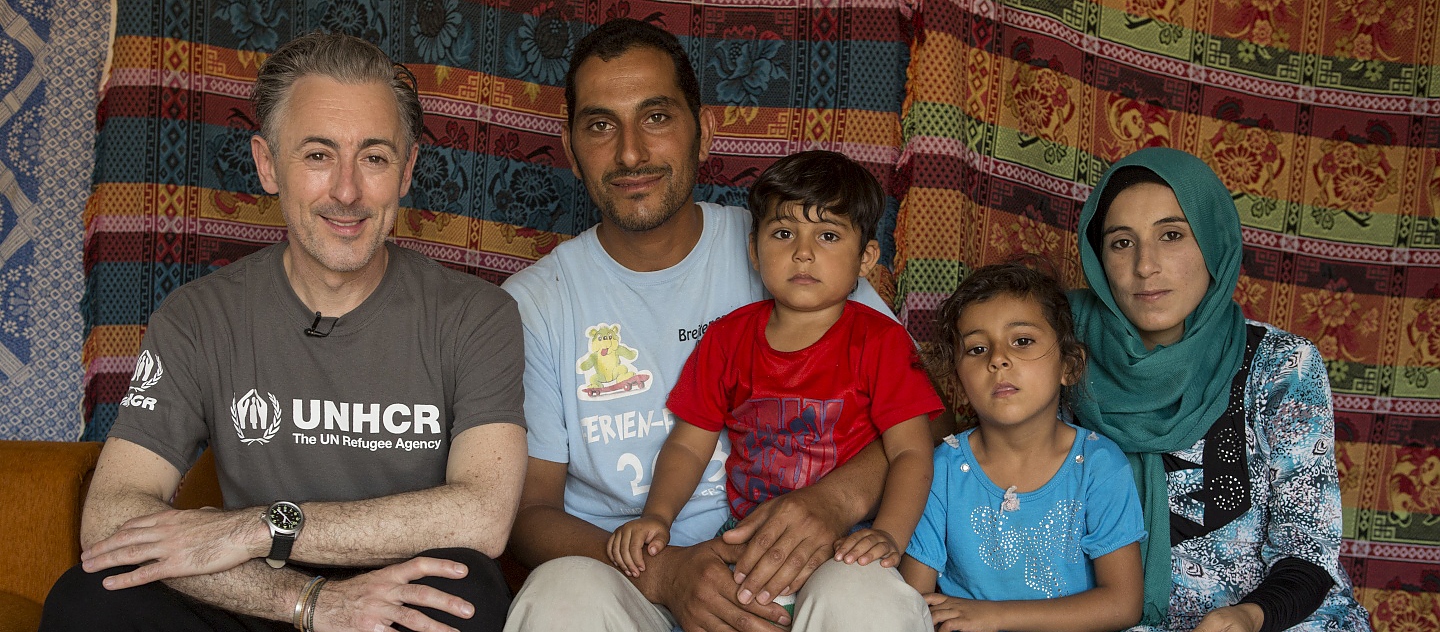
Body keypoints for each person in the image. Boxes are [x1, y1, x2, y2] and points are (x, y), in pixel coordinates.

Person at [39, 33, 526, 632]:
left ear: (406, 171)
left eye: (373, 157)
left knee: (463, 596)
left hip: (388, 596)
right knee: (89, 599)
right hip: (252, 590)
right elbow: (111, 516)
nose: (346, 191)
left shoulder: (476, 315)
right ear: (268, 164)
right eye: (318, 156)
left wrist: (255, 526)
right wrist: (308, 602)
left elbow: (483, 516)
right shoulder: (198, 317)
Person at [500, 18, 931, 632]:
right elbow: (528, 509)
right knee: (559, 593)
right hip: (632, 584)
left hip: (800, 571)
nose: (629, 153)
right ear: (570, 151)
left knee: (868, 597)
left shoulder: (789, 247)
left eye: (655, 117)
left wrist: (837, 499)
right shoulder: (537, 303)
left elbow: (923, 423)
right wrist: (668, 574)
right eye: (600, 125)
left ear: (703, 133)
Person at [1071, 147, 1370, 631]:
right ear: (1098, 258)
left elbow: (1308, 543)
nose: (1145, 266)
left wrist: (1249, 616)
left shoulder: (1281, 366)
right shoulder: (1063, 360)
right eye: (1121, 243)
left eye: (1172, 235)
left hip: (1273, 620)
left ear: (1213, 242)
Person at [607, 151, 942, 582]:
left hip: (850, 536)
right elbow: (690, 445)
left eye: (827, 236)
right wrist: (657, 516)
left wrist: (889, 535)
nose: (803, 253)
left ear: (865, 258)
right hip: (750, 535)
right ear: (754, 249)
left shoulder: (882, 342)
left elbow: (912, 451)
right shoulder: (727, 339)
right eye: (783, 233)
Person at [900, 260, 1146, 631]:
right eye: (977, 349)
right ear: (958, 377)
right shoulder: (943, 472)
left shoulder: (1099, 466)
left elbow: (1123, 604)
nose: (998, 359)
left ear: (1069, 366)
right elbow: (910, 604)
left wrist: (995, 617)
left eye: (1022, 341)